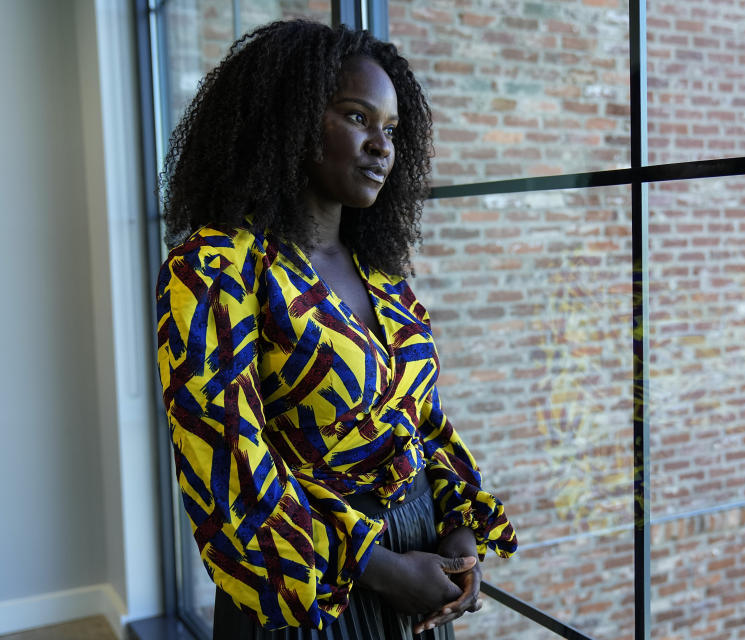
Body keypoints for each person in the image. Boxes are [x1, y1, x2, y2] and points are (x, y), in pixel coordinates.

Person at [155, 20, 517, 640]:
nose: (382, 145)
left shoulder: (380, 276)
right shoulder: (219, 267)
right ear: (288, 121)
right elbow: (226, 461)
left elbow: (422, 423)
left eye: (392, 129)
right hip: (305, 587)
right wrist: (379, 569)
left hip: (422, 579)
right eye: (357, 117)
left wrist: (459, 531)